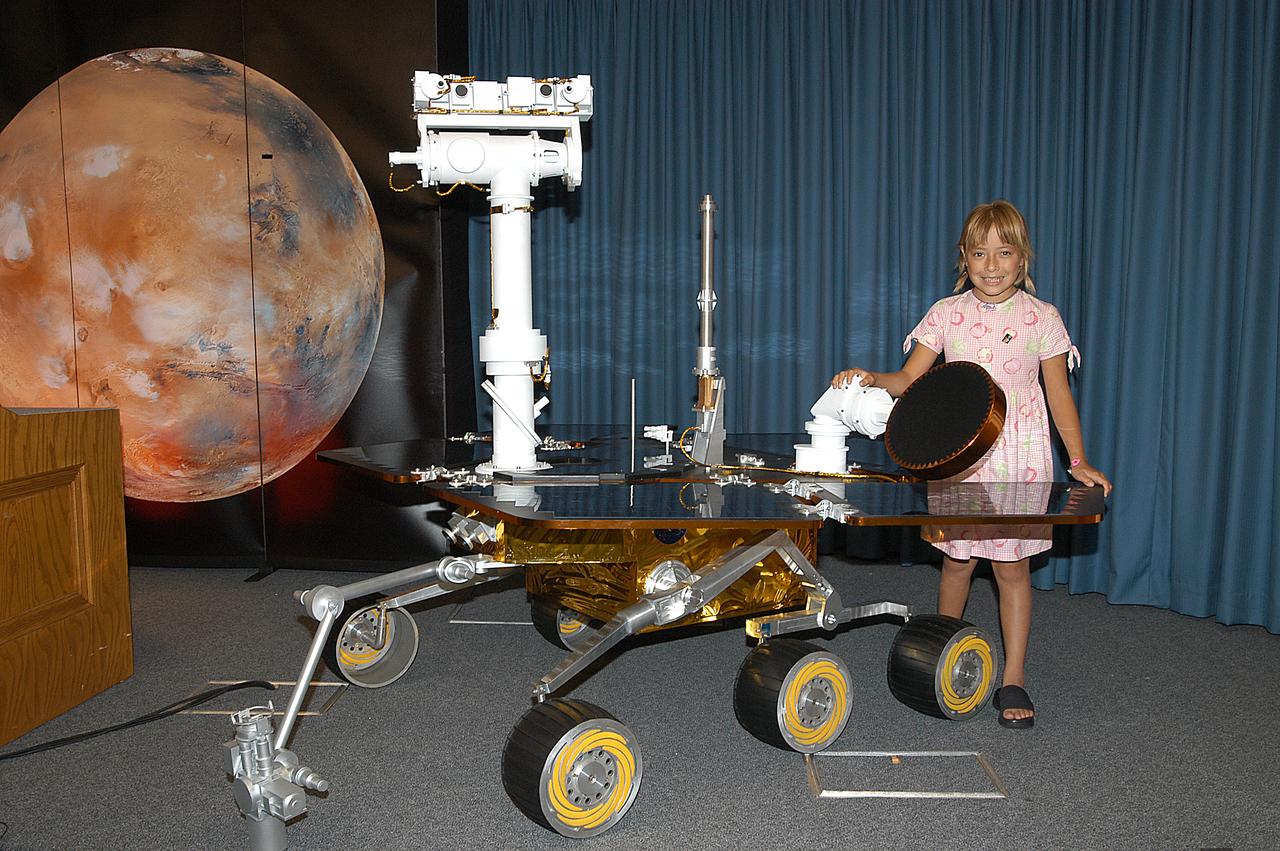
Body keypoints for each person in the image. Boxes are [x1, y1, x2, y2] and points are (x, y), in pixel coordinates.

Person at [832, 199, 1112, 729]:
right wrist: (870, 378)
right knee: (957, 562)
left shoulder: (1042, 318)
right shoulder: (945, 313)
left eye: (1004, 253)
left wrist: (1077, 460)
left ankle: (1014, 676)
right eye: (980, 253)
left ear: (1022, 257)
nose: (991, 265)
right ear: (964, 257)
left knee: (1011, 569)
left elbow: (1058, 395)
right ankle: (943, 655)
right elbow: (908, 380)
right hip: (960, 461)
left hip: (1019, 463)